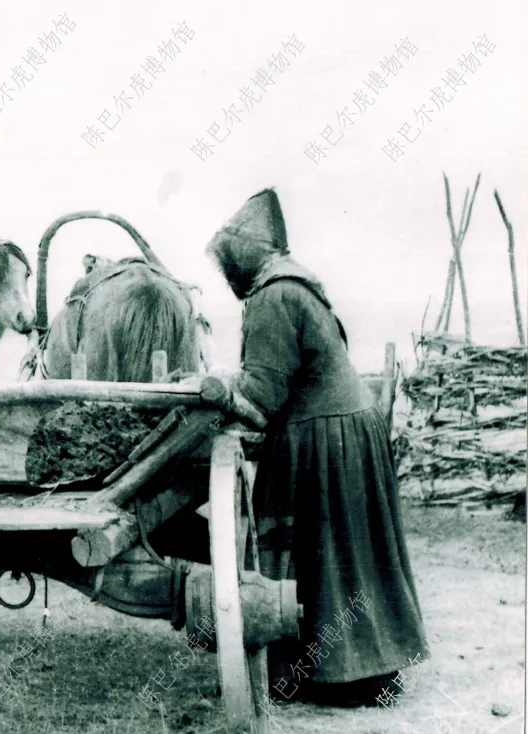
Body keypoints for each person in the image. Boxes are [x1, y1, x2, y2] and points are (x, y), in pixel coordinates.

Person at [205, 188, 428, 707]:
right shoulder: (299, 287)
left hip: (325, 438)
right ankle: (366, 669)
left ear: (246, 257)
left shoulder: (273, 297)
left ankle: (336, 675)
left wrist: (213, 398)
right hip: (350, 429)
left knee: (327, 550)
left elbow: (262, 393)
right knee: (354, 551)